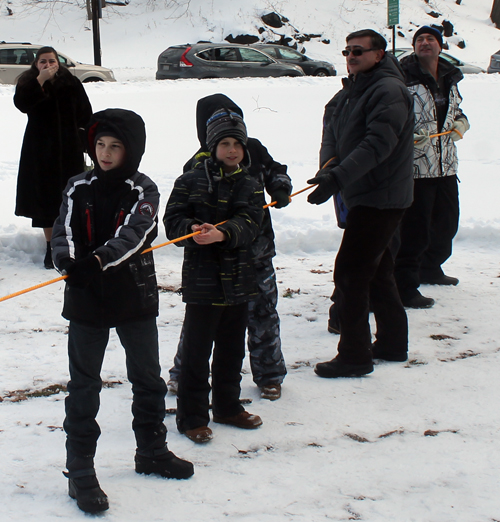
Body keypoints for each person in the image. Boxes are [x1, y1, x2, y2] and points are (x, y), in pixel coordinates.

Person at [51, 109, 194, 514]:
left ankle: (151, 449)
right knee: (84, 384)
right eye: (100, 145)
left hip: (133, 296)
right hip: (85, 299)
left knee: (147, 378)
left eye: (115, 146)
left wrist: (97, 261)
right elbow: (62, 228)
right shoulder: (77, 185)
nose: (106, 153)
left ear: (131, 150)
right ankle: (79, 469)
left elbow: (135, 233)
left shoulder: (143, 188)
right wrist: (67, 262)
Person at [166, 93, 290, 401]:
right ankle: (183, 374)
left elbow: (278, 171)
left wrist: (280, 187)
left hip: (256, 252)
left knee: (262, 313)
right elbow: (180, 213)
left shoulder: (254, 150)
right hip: (213, 262)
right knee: (201, 322)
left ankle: (269, 374)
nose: (232, 148)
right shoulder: (197, 166)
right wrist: (192, 229)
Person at [307, 29, 415, 377]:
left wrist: (337, 178)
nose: (351, 57)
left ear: (379, 54)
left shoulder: (388, 90)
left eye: (359, 51)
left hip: (380, 197)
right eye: (347, 51)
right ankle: (392, 343)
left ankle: (354, 355)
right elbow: (332, 132)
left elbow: (376, 145)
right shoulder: (354, 90)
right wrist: (329, 168)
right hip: (362, 192)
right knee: (378, 271)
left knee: (351, 273)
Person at [163, 107, 264, 444]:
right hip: (203, 281)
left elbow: (251, 222)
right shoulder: (189, 180)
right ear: (212, 147)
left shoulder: (250, 183)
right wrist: (191, 229)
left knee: (232, 350)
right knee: (196, 352)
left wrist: (223, 234)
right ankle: (192, 417)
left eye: (237, 143)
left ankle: (227, 406)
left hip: (239, 281)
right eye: (225, 143)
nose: (232, 150)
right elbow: (173, 219)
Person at [394, 26, 470, 308]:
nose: (425, 43)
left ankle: (431, 268)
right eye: (420, 40)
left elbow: (455, 111)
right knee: (415, 229)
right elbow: (392, 113)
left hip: (446, 164)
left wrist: (461, 123)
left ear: (440, 46)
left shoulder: (450, 77)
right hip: (415, 167)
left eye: (431, 39)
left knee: (447, 223)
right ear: (414, 47)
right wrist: (406, 134)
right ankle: (405, 285)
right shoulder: (402, 76)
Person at [14, 46, 92, 269]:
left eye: (52, 61)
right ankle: (50, 247)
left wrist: (85, 138)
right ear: (36, 64)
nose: (48, 65)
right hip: (40, 150)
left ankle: (71, 242)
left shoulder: (71, 82)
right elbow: (22, 104)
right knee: (46, 200)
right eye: (43, 61)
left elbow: (85, 112)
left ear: (59, 62)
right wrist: (40, 80)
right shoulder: (29, 82)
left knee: (71, 196)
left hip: (69, 149)